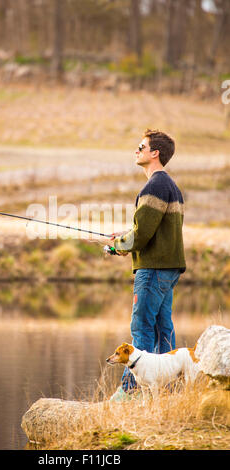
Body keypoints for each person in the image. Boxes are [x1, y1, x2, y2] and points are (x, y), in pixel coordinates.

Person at [109, 129, 186, 402]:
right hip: (168, 269)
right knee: (162, 329)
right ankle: (166, 391)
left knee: (141, 327)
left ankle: (130, 391)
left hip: (152, 270)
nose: (136, 150)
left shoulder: (154, 186)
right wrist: (124, 239)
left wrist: (120, 243)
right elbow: (150, 231)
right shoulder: (172, 187)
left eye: (141, 146)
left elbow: (141, 235)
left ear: (155, 153)